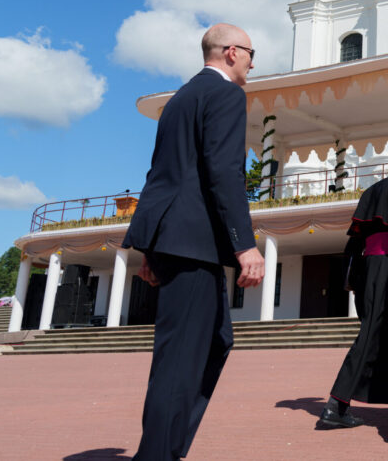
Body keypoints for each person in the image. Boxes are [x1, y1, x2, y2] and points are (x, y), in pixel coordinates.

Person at [122, 23, 265, 461]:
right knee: (181, 359)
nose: (252, 62)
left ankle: (168, 447)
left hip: (175, 240)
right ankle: (158, 454)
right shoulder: (225, 95)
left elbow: (159, 174)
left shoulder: (180, 99)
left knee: (215, 341)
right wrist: (245, 244)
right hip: (193, 243)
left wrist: (150, 246)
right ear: (228, 52)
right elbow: (224, 172)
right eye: (249, 53)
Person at [316, 156, 388, 430]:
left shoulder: (371, 191)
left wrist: (355, 276)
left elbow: (355, 240)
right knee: (370, 336)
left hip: (370, 267)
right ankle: (335, 406)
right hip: (387, 268)